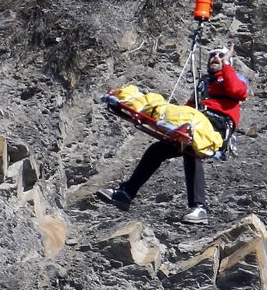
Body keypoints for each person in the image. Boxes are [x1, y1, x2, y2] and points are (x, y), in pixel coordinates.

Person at [98, 43, 248, 224]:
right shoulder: (203, 85)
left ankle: (199, 208)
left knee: (191, 149)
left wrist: (226, 66)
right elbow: (188, 110)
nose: (215, 57)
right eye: (213, 55)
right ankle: (126, 193)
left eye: (220, 55)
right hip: (196, 123)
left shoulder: (234, 78)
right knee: (157, 150)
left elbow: (236, 91)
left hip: (216, 126)